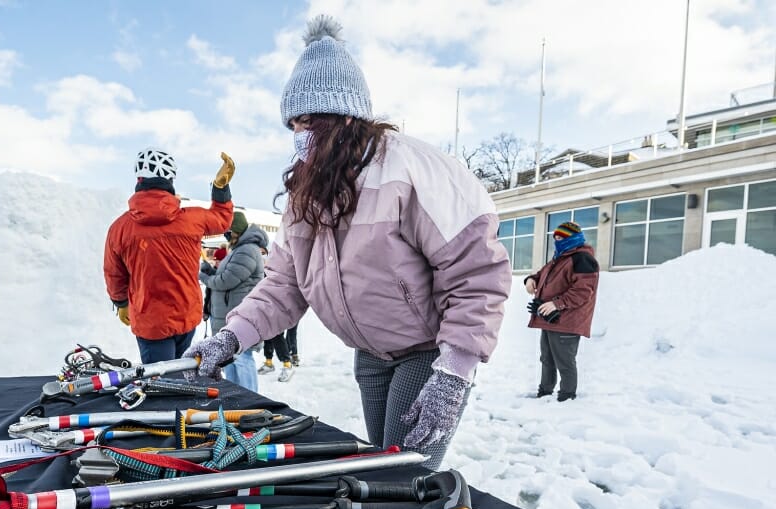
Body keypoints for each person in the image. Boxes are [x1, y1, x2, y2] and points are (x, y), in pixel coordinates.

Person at [185, 16, 511, 470]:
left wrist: (453, 372)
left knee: (404, 475)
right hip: (370, 355)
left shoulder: (410, 170)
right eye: (293, 125)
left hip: (426, 351)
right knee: (383, 464)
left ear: (343, 118)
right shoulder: (307, 193)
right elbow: (285, 284)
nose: (299, 136)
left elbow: (475, 271)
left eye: (308, 122)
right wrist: (230, 337)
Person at [104, 148, 235, 363]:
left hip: (150, 322)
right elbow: (222, 219)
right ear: (170, 180)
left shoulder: (120, 228)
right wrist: (220, 188)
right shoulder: (192, 219)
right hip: (186, 316)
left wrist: (120, 303)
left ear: (139, 180)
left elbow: (114, 273)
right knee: (181, 377)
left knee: (159, 385)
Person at [524, 220, 600, 402]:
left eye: (562, 237)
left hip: (567, 319)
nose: (557, 240)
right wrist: (530, 280)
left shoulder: (582, 259)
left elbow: (583, 291)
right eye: (555, 237)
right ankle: (544, 392)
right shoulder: (560, 257)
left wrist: (557, 304)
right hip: (550, 318)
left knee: (564, 362)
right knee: (547, 359)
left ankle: (567, 397)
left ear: (573, 238)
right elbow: (541, 274)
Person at [199, 212, 268, 391]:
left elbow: (225, 281)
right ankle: (236, 397)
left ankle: (252, 400)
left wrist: (204, 277)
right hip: (229, 315)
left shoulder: (247, 250)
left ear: (236, 230)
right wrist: (210, 271)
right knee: (230, 360)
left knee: (242, 359)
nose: (226, 234)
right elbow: (223, 276)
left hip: (240, 317)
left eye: (228, 231)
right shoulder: (238, 249)